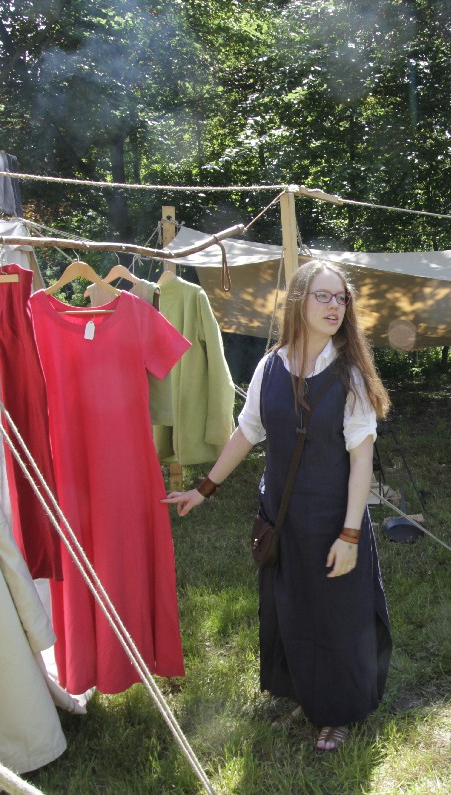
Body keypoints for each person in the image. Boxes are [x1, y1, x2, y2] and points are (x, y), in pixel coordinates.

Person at [163, 260, 392, 752]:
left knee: (337, 617)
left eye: (341, 298)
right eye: (323, 296)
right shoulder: (270, 367)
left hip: (333, 517)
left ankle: (339, 711)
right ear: (298, 302)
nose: (334, 306)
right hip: (282, 518)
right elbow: (246, 432)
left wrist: (350, 534)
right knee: (293, 610)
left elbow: (361, 462)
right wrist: (204, 489)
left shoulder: (350, 375)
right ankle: (307, 696)